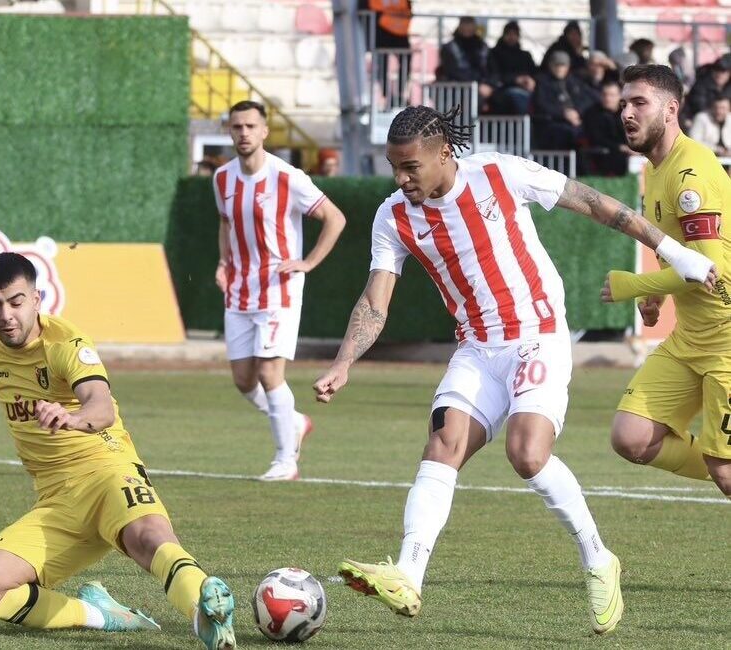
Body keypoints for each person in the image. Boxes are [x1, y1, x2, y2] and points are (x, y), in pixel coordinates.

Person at [312, 105, 715, 632]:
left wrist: (674, 252)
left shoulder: (500, 174)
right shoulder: (393, 216)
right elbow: (375, 300)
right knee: (443, 444)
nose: (401, 178)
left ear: (443, 154)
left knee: (526, 453)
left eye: (410, 166)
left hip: (537, 336)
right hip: (477, 348)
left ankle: (598, 558)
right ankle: (409, 573)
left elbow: (594, 204)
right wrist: (344, 362)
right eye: (394, 167)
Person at [0, 253, 236, 650]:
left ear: (37, 298)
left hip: (107, 472)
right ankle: (103, 615)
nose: (5, 316)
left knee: (149, 537)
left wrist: (72, 418)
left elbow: (99, 403)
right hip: (56, 501)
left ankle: (205, 614)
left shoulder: (67, 344)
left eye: (16, 302)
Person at [603, 64, 731, 496]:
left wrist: (633, 286)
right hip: (691, 337)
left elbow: (708, 269)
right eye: (623, 104)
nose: (627, 113)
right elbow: (676, 246)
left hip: (727, 339)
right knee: (631, 436)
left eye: (639, 103)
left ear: (670, 109)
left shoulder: (688, 173)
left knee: (726, 470)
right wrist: (657, 297)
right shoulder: (655, 167)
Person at [213, 100, 346, 481]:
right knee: (243, 380)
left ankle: (285, 460)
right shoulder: (222, 179)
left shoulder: (288, 177)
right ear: (230, 131)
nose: (244, 133)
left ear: (264, 131)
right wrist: (223, 263)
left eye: (251, 126)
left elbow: (335, 219)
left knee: (271, 373)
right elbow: (226, 224)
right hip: (239, 289)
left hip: (279, 289)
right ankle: (295, 420)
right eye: (237, 127)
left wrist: (308, 263)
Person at [532, 50, 597, 150]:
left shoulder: (575, 81)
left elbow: (590, 98)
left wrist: (576, 112)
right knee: (570, 134)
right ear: (550, 66)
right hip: (553, 123)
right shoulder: (542, 82)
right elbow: (541, 105)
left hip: (577, 121)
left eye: (563, 65)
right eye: (557, 65)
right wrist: (564, 114)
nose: (560, 69)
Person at [436, 16, 494, 108]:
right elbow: (452, 71)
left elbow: (493, 69)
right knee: (471, 99)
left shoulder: (483, 47)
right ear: (459, 28)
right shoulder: (449, 48)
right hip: (459, 87)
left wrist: (490, 85)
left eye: (470, 27)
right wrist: (477, 85)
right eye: (465, 27)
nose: (467, 30)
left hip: (484, 86)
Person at [487, 20, 537, 115]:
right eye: (509, 34)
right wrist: (515, 80)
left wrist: (531, 80)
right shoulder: (494, 53)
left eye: (515, 34)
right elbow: (495, 75)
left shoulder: (525, 55)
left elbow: (534, 73)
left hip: (526, 89)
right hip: (503, 91)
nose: (512, 37)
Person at [583, 80, 631, 175]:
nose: (607, 98)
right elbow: (596, 138)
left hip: (631, 151)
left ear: (620, 96)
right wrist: (620, 147)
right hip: (603, 155)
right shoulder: (591, 114)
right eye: (604, 95)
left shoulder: (627, 112)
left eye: (612, 95)